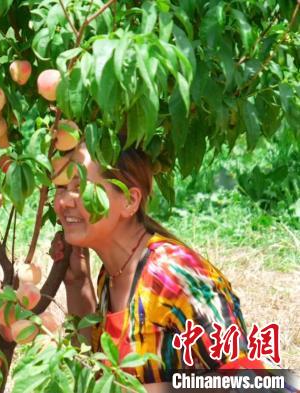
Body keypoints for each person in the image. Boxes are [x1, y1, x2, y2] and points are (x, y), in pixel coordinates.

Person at [49, 142, 266, 392]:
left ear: (130, 201)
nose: (64, 201)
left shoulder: (173, 273)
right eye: (61, 188)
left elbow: (248, 378)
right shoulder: (111, 274)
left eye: (81, 187)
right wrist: (78, 285)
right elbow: (92, 373)